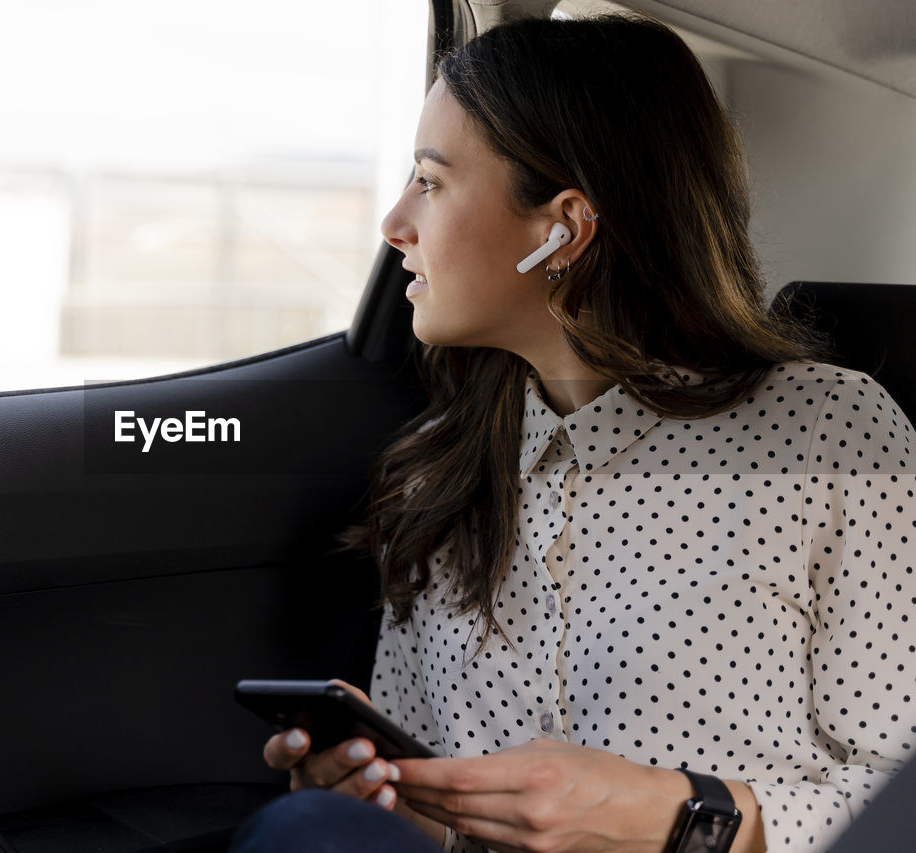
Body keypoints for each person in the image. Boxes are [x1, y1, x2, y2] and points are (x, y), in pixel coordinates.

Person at [231, 12, 916, 853]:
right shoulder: (434, 475)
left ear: (564, 229)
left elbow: (901, 789)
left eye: (432, 181)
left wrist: (680, 817)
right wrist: (387, 805)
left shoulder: (828, 432)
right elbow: (435, 806)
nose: (395, 223)